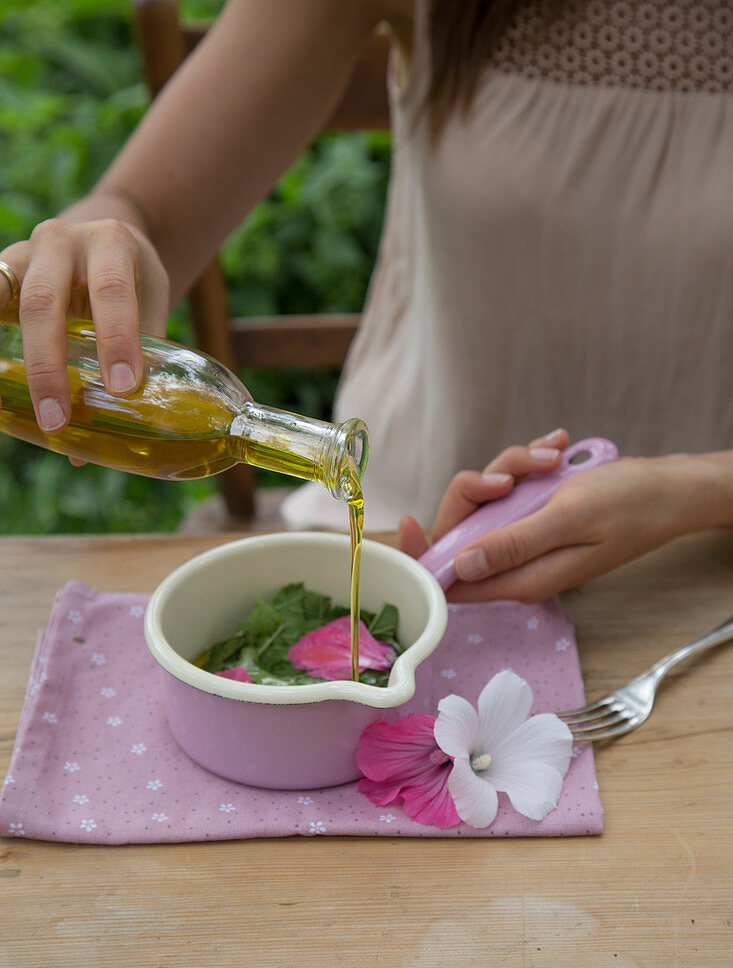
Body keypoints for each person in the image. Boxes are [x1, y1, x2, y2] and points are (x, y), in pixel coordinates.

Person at [0, 0, 731, 603]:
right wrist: (105, 243)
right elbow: (144, 208)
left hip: (702, 575)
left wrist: (693, 492)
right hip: (401, 531)